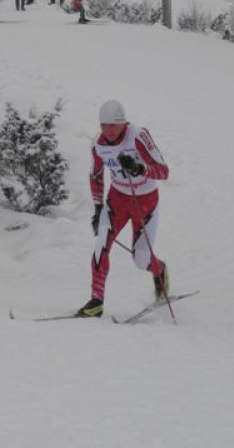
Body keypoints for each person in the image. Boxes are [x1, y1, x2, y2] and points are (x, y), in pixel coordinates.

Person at [77, 100, 170, 318]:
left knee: (140, 259)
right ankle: (96, 300)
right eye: (103, 125)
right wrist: (98, 207)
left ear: (123, 123)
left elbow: (164, 171)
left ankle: (159, 269)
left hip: (144, 202)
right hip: (117, 200)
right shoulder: (98, 144)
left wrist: (139, 168)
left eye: (113, 126)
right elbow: (96, 176)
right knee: (101, 244)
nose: (107, 131)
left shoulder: (137, 136)